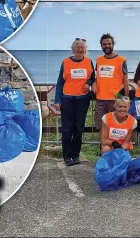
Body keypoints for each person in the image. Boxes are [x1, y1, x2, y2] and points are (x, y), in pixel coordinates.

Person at [54, 38, 95, 166]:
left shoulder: (89, 62)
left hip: (82, 100)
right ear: (73, 49)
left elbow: (93, 77)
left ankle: (76, 155)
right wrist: (57, 99)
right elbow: (60, 82)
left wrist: (88, 84)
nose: (80, 49)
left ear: (85, 49)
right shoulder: (65, 62)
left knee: (79, 128)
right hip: (67, 99)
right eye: (77, 47)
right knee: (67, 129)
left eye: (82, 47)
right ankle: (67, 156)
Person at [92, 33, 129, 135]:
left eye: (109, 43)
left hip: (115, 100)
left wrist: (127, 98)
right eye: (104, 44)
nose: (107, 46)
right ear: (101, 46)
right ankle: (104, 149)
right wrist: (94, 84)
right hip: (100, 99)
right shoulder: (99, 60)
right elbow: (98, 76)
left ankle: (115, 150)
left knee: (115, 127)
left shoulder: (121, 60)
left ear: (113, 44)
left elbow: (126, 81)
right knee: (101, 126)